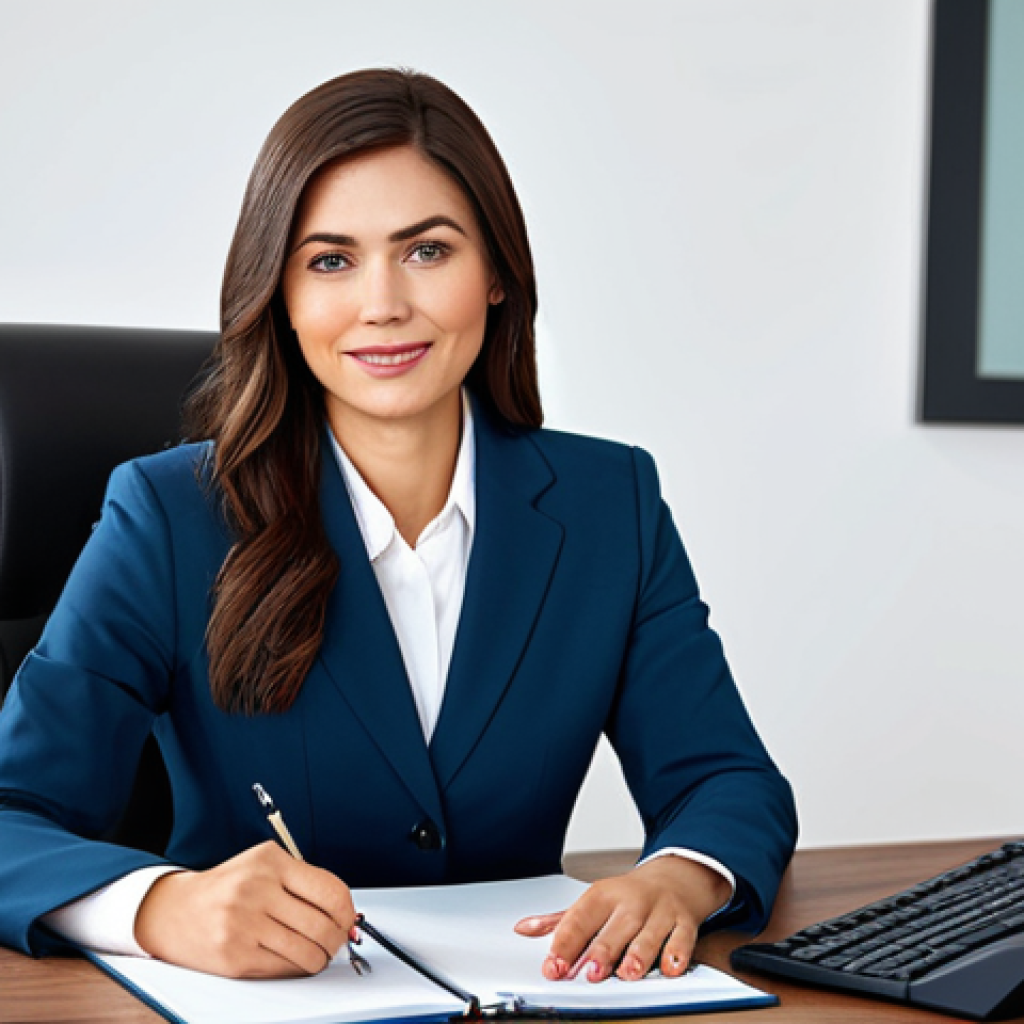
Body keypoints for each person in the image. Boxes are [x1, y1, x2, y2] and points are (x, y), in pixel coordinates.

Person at [0, 68, 797, 983]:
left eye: (427, 251)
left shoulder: (608, 503)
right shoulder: (169, 518)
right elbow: (9, 814)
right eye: (330, 260)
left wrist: (682, 877)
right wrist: (158, 906)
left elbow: (729, 780)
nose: (383, 302)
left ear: (496, 273)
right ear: (282, 295)